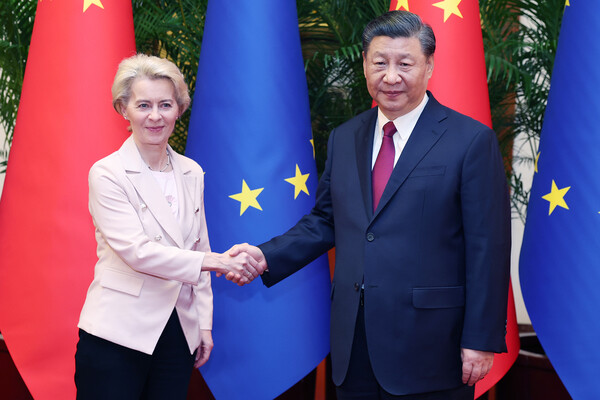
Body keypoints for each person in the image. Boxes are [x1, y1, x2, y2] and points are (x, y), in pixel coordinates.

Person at [230, 10, 511, 400]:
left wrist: (480, 339)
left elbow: (488, 247)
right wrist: (265, 256)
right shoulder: (346, 137)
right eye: (380, 63)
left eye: (405, 64)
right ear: (364, 64)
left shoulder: (470, 140)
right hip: (354, 344)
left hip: (432, 347)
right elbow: (327, 220)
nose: (391, 76)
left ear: (429, 66)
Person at [74, 54, 260, 400]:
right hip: (117, 333)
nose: (155, 116)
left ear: (179, 109)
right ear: (124, 109)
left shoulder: (192, 171)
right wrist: (219, 262)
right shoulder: (107, 173)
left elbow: (199, 245)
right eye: (143, 105)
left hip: (178, 333)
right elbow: (138, 252)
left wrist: (203, 323)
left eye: (165, 104)